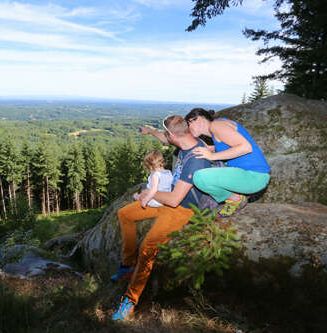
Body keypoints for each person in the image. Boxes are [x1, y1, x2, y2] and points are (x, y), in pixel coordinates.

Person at [111, 115, 213, 321]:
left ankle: (130, 301)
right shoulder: (187, 138)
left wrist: (147, 194)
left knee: (148, 248)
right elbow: (165, 138)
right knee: (125, 214)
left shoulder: (195, 160)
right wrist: (150, 131)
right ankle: (128, 266)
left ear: (175, 134)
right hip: (166, 198)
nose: (165, 137)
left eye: (167, 134)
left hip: (182, 208)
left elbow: (175, 200)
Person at [185, 108, 271, 218]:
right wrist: (209, 149)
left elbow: (246, 147)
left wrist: (212, 156)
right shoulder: (219, 124)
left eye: (188, 123)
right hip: (252, 175)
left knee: (199, 177)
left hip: (254, 176)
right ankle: (237, 195)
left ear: (199, 119)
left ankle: (236, 199)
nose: (188, 128)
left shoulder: (216, 126)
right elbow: (227, 146)